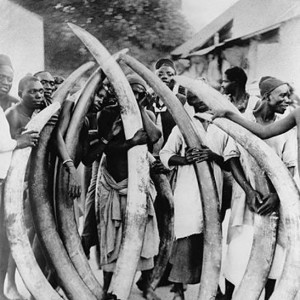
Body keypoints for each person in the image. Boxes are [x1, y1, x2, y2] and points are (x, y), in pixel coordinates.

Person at [159, 92, 261, 300]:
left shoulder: (222, 127)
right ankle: (179, 290)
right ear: (189, 101)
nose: (197, 98)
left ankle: (212, 289)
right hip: (188, 190)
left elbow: (232, 160)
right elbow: (165, 154)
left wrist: (213, 156)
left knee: (212, 238)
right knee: (185, 237)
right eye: (192, 96)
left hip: (216, 191)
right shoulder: (182, 127)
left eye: (200, 94)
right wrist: (184, 159)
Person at [218, 76, 296, 300]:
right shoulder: (245, 121)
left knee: (276, 261)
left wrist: (276, 196)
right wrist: (249, 191)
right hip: (247, 203)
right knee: (237, 259)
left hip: (276, 202)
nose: (287, 99)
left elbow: (289, 165)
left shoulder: (287, 123)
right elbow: (231, 157)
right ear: (265, 96)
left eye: (289, 94)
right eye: (282, 94)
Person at [86, 74, 161, 300]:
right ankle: (109, 287)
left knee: (144, 234)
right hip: (111, 181)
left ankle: (146, 285)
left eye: (139, 93)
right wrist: (131, 143)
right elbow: (107, 148)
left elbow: (155, 136)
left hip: (136, 184)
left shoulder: (146, 114)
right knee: (110, 234)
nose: (133, 96)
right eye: (130, 92)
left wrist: (140, 108)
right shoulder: (107, 114)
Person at [0, 76, 41, 300]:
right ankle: (8, 285)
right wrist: (18, 142)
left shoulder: (38, 113)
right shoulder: (11, 114)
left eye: (40, 91)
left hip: (30, 183)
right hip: (12, 184)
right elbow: (7, 147)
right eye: (32, 91)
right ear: (21, 92)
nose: (38, 95)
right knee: (11, 236)